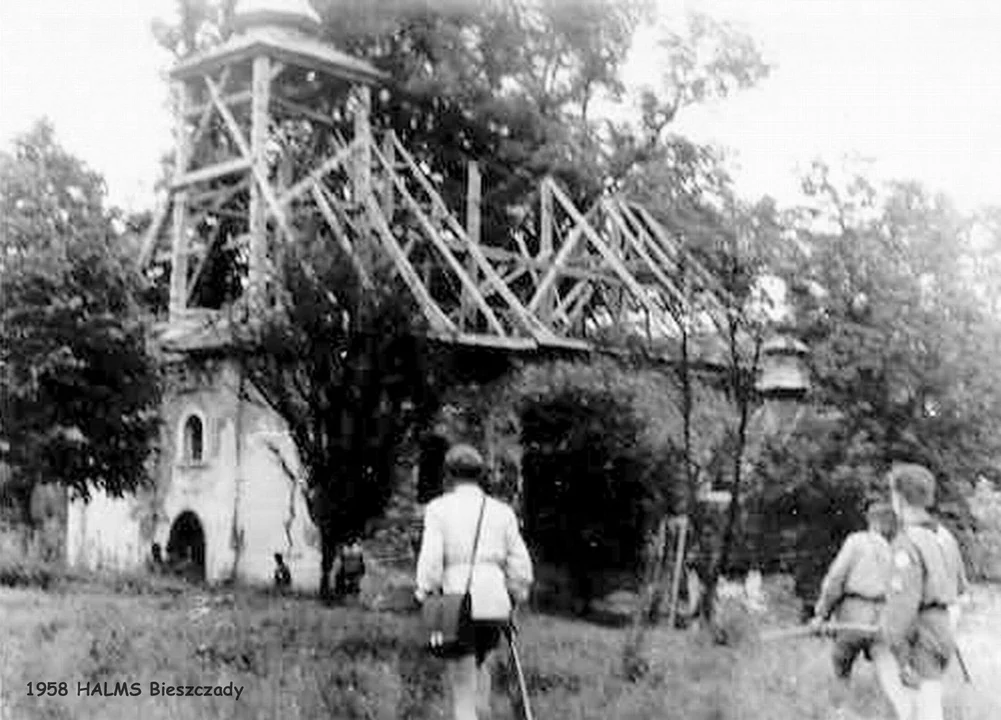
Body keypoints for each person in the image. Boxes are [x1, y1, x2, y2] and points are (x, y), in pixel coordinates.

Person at [414, 443, 534, 720]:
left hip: (455, 602)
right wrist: (515, 595)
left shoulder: (438, 509)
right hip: (494, 604)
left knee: (462, 690)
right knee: (481, 675)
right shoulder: (501, 512)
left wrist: (424, 591)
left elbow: (431, 560)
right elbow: (520, 566)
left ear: (448, 475)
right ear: (479, 474)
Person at [874, 463, 961, 720]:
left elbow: (902, 609)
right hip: (943, 631)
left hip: (920, 637)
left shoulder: (906, 543)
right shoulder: (944, 537)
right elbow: (960, 590)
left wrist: (900, 656)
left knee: (919, 712)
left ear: (898, 498)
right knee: (929, 708)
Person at [811, 501, 897, 685]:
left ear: (870, 520)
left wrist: (822, 613)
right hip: (884, 617)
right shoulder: (898, 548)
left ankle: (843, 708)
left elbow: (835, 579)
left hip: (854, 615)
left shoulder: (857, 541)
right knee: (886, 669)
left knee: (841, 663)